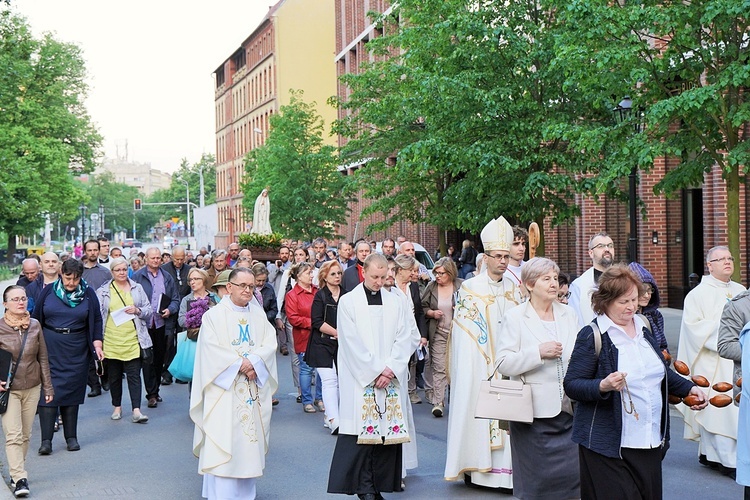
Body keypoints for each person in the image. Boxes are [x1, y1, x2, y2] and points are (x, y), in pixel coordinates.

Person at [564, 264, 707, 499]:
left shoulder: (644, 326)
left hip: (649, 440)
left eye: (633, 299)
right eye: (623, 302)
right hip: (607, 444)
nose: (631, 307)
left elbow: (659, 371)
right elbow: (572, 384)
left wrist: (689, 387)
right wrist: (602, 386)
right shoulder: (593, 335)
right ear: (605, 301)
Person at [327, 253, 420, 498]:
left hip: (389, 377)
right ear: (364, 273)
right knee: (362, 435)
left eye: (383, 276)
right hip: (362, 379)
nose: (379, 281)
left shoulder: (395, 302)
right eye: (374, 277)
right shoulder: (349, 302)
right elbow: (350, 342)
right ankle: (365, 487)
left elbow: (406, 336)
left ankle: (377, 485)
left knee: (384, 435)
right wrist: (375, 371)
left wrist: (391, 369)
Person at [445, 215, 523, 489]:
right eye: (498, 256)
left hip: (510, 365)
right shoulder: (470, 288)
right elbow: (466, 336)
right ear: (486, 257)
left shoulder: (515, 288)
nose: (503, 260)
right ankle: (481, 472)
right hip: (482, 365)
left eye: (506, 255)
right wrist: (488, 362)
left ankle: (509, 475)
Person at [495, 257, 580, 500]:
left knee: (572, 480)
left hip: (568, 410)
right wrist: (537, 353)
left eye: (555, 278)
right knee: (535, 484)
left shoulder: (569, 314)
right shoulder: (515, 317)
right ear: (530, 284)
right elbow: (503, 362)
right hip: (531, 414)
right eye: (546, 279)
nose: (554, 284)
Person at [190, 268, 278, 499]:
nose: (248, 291)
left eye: (252, 286)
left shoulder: (258, 315)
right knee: (224, 440)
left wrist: (254, 362)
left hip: (251, 390)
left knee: (247, 445)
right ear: (229, 288)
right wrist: (242, 364)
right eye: (243, 286)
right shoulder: (214, 316)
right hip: (224, 393)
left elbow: (270, 344)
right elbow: (210, 351)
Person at [678, 245, 745, 477]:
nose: (727, 262)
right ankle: (726, 460)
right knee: (720, 411)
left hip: (738, 359)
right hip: (713, 361)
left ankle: (709, 454)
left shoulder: (740, 290)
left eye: (730, 258)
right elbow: (694, 328)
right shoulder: (697, 294)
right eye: (721, 259)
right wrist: (727, 328)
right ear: (709, 265)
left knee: (737, 411)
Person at [32, 258, 104, 454]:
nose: (71, 283)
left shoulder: (88, 293)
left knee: (72, 392)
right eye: (68, 278)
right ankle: (46, 441)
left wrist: (97, 342)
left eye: (75, 278)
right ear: (61, 273)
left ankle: (71, 437)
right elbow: (36, 316)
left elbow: (96, 318)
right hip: (50, 347)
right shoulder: (49, 291)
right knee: (49, 391)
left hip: (77, 349)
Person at [0, 286, 54, 498]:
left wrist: (48, 386)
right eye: (15, 299)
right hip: (9, 389)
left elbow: (43, 357)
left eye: (23, 299)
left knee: (25, 435)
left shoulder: (34, 325)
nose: (20, 303)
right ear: (5, 304)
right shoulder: (0, 327)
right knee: (13, 435)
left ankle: (16, 473)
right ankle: (20, 477)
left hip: (32, 386)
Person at [95, 258, 152, 424]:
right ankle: (117, 407)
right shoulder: (104, 291)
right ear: (112, 272)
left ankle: (136, 410)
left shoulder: (137, 288)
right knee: (114, 376)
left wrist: (137, 310)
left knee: (135, 375)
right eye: (117, 270)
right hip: (111, 339)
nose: (121, 272)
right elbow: (98, 316)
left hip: (133, 338)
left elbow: (148, 310)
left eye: (124, 269)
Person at [133, 247, 180, 409]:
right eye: (152, 258)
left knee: (160, 358)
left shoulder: (167, 277)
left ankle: (156, 389)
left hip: (161, 324)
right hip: (144, 324)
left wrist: (170, 310)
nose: (155, 260)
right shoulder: (138, 276)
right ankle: (151, 393)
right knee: (147, 359)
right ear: (146, 258)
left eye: (158, 258)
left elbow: (175, 299)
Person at [421, 257, 462, 418]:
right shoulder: (432, 287)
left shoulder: (461, 285)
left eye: (442, 273)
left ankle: (458, 400)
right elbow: (422, 306)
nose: (438, 276)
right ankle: (439, 402)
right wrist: (431, 313)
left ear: (450, 273)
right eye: (436, 273)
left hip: (457, 333)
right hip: (438, 332)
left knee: (455, 367)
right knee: (439, 367)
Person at [305, 260, 343, 433]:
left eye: (339, 273)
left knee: (341, 381)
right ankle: (334, 419)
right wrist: (336, 332)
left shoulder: (347, 295)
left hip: (342, 345)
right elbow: (317, 321)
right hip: (321, 343)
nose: (337, 277)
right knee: (329, 381)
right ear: (325, 276)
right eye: (333, 274)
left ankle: (330, 415)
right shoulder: (320, 296)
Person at [284, 262, 322, 413]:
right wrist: (314, 323)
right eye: (308, 273)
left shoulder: (317, 291)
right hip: (304, 336)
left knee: (322, 369)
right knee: (306, 369)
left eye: (312, 272)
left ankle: (320, 398)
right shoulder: (292, 295)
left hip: (320, 335)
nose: (312, 275)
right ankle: (307, 400)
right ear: (298, 277)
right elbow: (293, 318)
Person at [392, 255, 429, 406]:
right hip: (395, 334)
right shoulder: (390, 286)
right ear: (400, 270)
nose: (415, 274)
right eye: (411, 270)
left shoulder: (413, 286)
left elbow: (419, 311)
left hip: (411, 332)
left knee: (410, 364)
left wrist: (422, 335)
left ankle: (406, 394)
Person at [569, 232, 615, 327]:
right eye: (601, 246)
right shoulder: (579, 286)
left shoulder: (623, 280)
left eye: (610, 246)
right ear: (591, 253)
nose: (607, 249)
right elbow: (575, 320)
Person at [161, 246, 192, 385]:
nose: (179, 262)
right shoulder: (164, 269)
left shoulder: (189, 270)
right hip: (169, 308)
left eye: (181, 259)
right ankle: (166, 372)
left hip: (184, 309)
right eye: (176, 259)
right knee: (168, 342)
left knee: (182, 341)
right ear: (172, 257)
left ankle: (180, 372)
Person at [629, 262, 668, 351]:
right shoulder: (625, 317)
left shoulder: (655, 315)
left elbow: (663, 346)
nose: (647, 295)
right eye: (642, 291)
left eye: (650, 290)